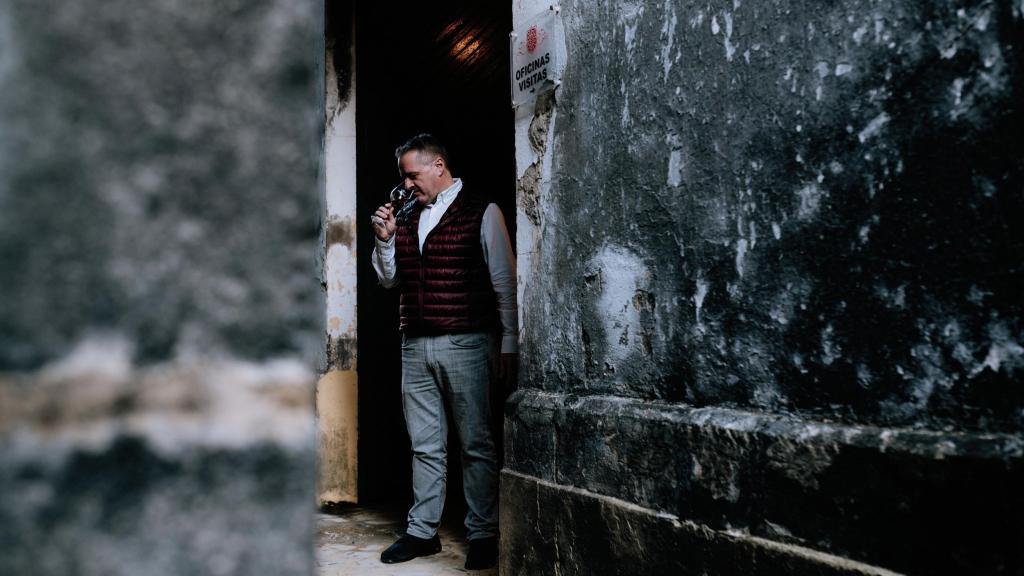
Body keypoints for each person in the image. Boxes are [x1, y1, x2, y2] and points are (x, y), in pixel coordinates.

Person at [370, 134, 517, 570]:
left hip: (468, 342)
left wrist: (510, 343)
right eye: (404, 177)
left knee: (476, 443)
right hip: (414, 344)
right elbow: (389, 280)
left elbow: (504, 283)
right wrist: (384, 239)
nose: (407, 185)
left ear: (438, 166)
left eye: (412, 175)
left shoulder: (483, 210)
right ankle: (422, 532)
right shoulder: (408, 214)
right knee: (425, 444)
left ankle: (483, 533)